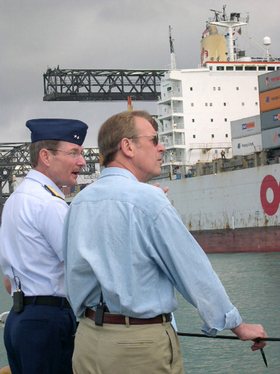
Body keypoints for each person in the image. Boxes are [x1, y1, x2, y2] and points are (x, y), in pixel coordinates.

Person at [63, 110, 267, 374]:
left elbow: (70, 271)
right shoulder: (149, 200)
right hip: (139, 346)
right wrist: (237, 325)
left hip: (87, 340)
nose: (162, 147)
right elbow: (193, 271)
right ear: (127, 146)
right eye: (154, 140)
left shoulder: (79, 202)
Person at [0, 118, 88, 374]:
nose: (82, 161)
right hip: (48, 322)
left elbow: (8, 280)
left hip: (19, 321)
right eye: (73, 153)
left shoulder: (16, 200)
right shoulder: (49, 203)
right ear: (46, 156)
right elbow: (80, 266)